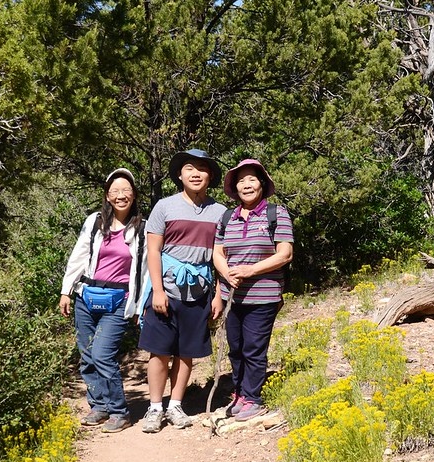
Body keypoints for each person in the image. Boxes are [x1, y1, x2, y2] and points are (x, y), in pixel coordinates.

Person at [137, 148, 227, 433]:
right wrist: (158, 290)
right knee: (159, 351)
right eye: (190, 168)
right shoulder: (164, 207)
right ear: (179, 175)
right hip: (166, 288)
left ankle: (175, 405)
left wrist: (218, 295)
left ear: (210, 176)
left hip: (199, 291)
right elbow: (153, 250)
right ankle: (155, 408)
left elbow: (219, 256)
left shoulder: (220, 212)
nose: (195, 174)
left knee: (186, 352)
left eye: (202, 168)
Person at [59, 168, 147, 433]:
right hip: (86, 296)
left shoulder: (142, 228)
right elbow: (78, 255)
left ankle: (119, 411)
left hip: (119, 300)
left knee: (102, 354)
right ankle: (99, 406)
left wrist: (139, 306)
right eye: (115, 191)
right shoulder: (95, 222)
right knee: (87, 356)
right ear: (107, 195)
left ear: (134, 195)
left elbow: (144, 270)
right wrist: (66, 290)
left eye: (126, 190)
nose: (121, 196)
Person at [213, 159, 293, 421]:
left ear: (262, 184)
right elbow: (217, 253)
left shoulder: (276, 214)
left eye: (251, 179)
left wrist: (250, 271)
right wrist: (227, 273)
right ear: (235, 188)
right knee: (235, 348)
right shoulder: (227, 217)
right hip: (232, 296)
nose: (246, 184)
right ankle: (239, 392)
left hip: (264, 296)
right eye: (241, 180)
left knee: (254, 348)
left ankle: (253, 398)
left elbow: (285, 254)